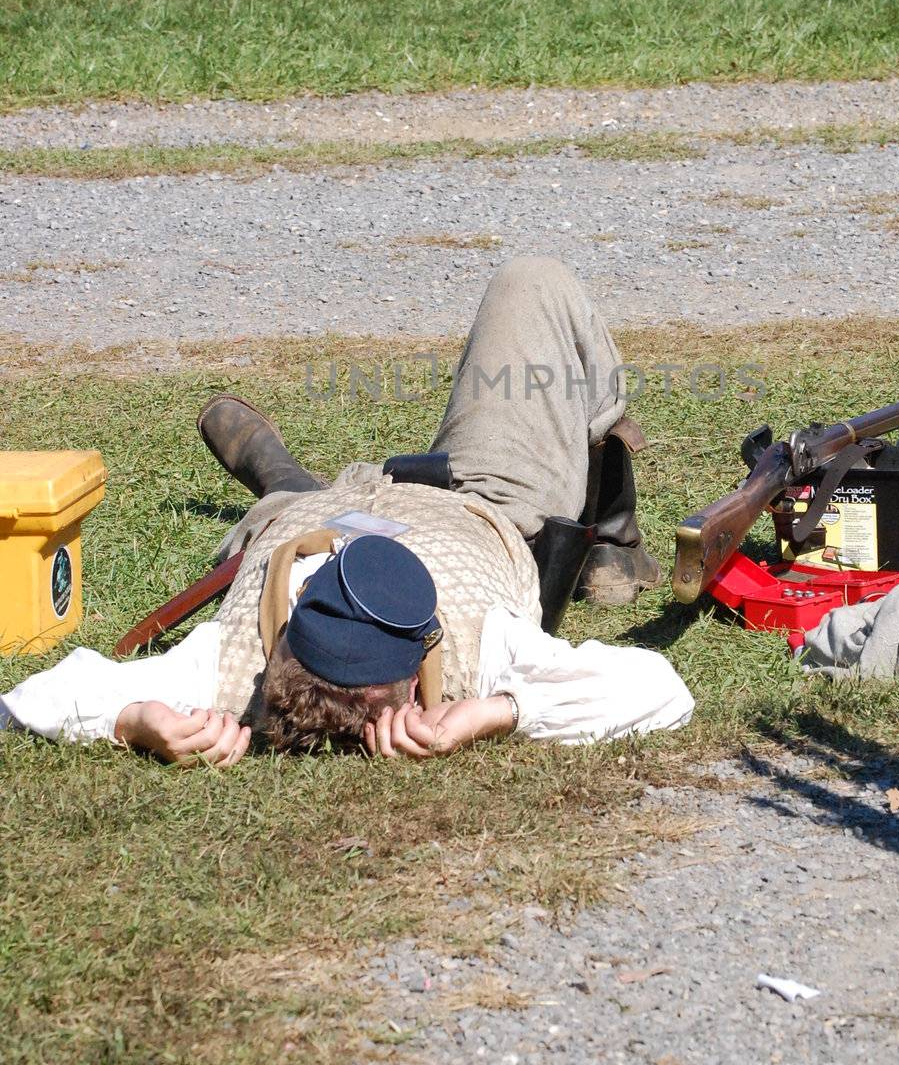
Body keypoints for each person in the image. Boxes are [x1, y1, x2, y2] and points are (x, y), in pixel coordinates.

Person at [0, 259, 692, 769]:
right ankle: (611, 527)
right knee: (533, 283)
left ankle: (284, 483)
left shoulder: (217, 668)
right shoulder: (484, 652)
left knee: (286, 515)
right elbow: (659, 689)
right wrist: (495, 713)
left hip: (313, 516)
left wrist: (135, 719)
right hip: (480, 502)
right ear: (409, 685)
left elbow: (32, 697)